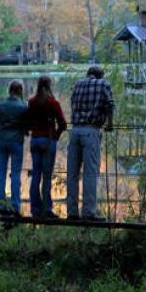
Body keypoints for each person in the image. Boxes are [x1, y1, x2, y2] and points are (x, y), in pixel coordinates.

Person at [66, 66, 114, 221]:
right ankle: (89, 213)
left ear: (88, 75)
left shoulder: (78, 84)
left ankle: (72, 212)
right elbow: (110, 104)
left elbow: (72, 102)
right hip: (91, 131)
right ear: (100, 76)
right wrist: (110, 124)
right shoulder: (103, 84)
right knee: (90, 173)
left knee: (72, 174)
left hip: (75, 131)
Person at [26, 76, 67, 219]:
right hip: (48, 141)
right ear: (50, 86)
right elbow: (63, 124)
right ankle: (47, 209)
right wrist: (55, 137)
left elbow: (28, 122)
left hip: (35, 141)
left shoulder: (31, 102)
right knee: (47, 177)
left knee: (36, 175)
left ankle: (34, 209)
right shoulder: (53, 103)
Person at [0, 80, 27, 217]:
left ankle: (0, 204)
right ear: (20, 91)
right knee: (15, 174)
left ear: (9, 90)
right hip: (16, 142)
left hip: (2, 140)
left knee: (1, 172)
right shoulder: (23, 107)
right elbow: (26, 126)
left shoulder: (1, 105)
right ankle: (15, 205)